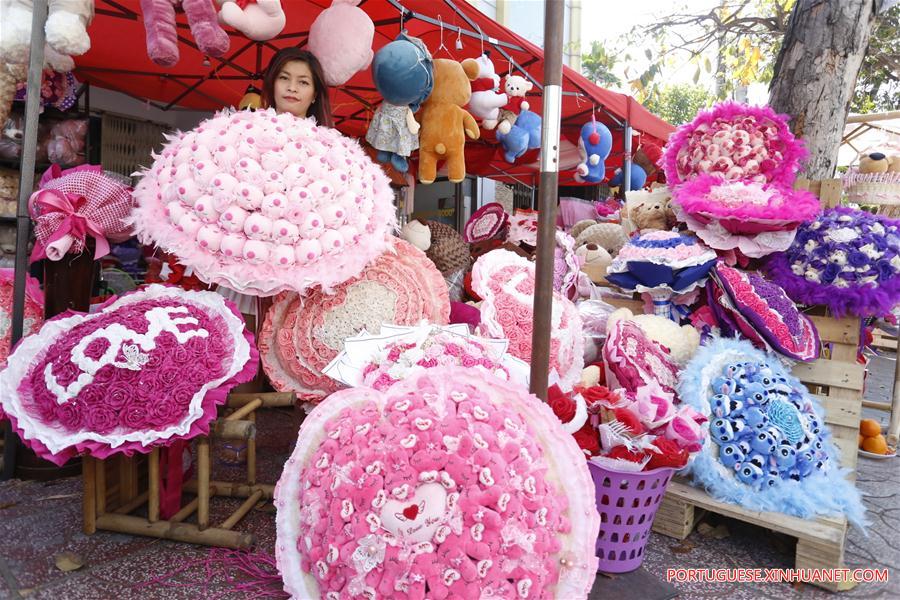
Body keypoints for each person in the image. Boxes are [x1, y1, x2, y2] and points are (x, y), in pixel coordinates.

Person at [260, 47, 334, 127]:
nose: (292, 88)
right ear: (272, 84)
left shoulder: (328, 139)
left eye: (303, 82)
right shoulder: (246, 132)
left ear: (314, 94)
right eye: (284, 78)